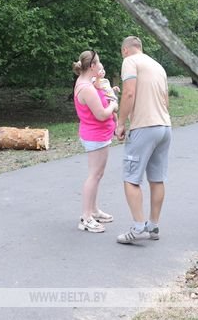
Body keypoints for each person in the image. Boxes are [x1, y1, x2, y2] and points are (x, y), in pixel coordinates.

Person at [114, 36, 172, 244]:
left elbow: (129, 93)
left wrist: (120, 123)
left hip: (144, 127)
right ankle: (153, 225)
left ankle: (138, 227)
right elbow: (166, 100)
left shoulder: (130, 61)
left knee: (131, 178)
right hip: (164, 126)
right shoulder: (157, 65)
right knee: (156, 178)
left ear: (126, 50)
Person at [72, 50, 118, 233]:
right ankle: (86, 217)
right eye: (98, 63)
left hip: (98, 135)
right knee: (94, 175)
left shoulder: (88, 83)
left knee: (98, 174)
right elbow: (101, 114)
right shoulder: (86, 88)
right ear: (91, 66)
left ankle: (94, 210)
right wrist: (113, 104)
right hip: (95, 135)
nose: (100, 66)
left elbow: (99, 91)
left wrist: (103, 85)